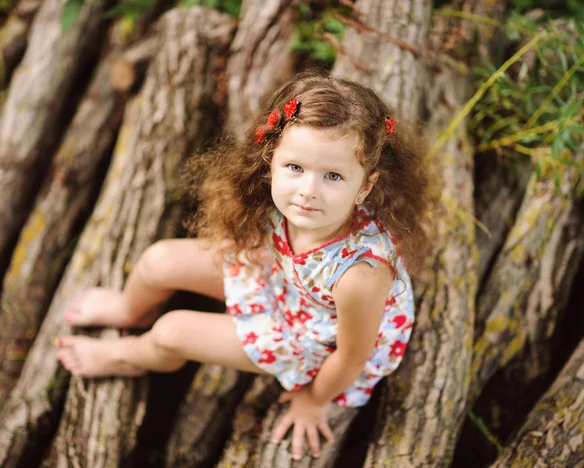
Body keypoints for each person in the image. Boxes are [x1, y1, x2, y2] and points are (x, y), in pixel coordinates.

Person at [55, 71, 432, 460]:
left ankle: (129, 355)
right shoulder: (287, 201)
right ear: (272, 161)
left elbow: (352, 355)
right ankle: (130, 309)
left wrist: (315, 399)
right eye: (295, 168)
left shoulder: (361, 275)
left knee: (172, 331)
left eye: (333, 176)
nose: (308, 190)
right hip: (278, 275)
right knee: (159, 260)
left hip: (312, 338)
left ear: (365, 187)